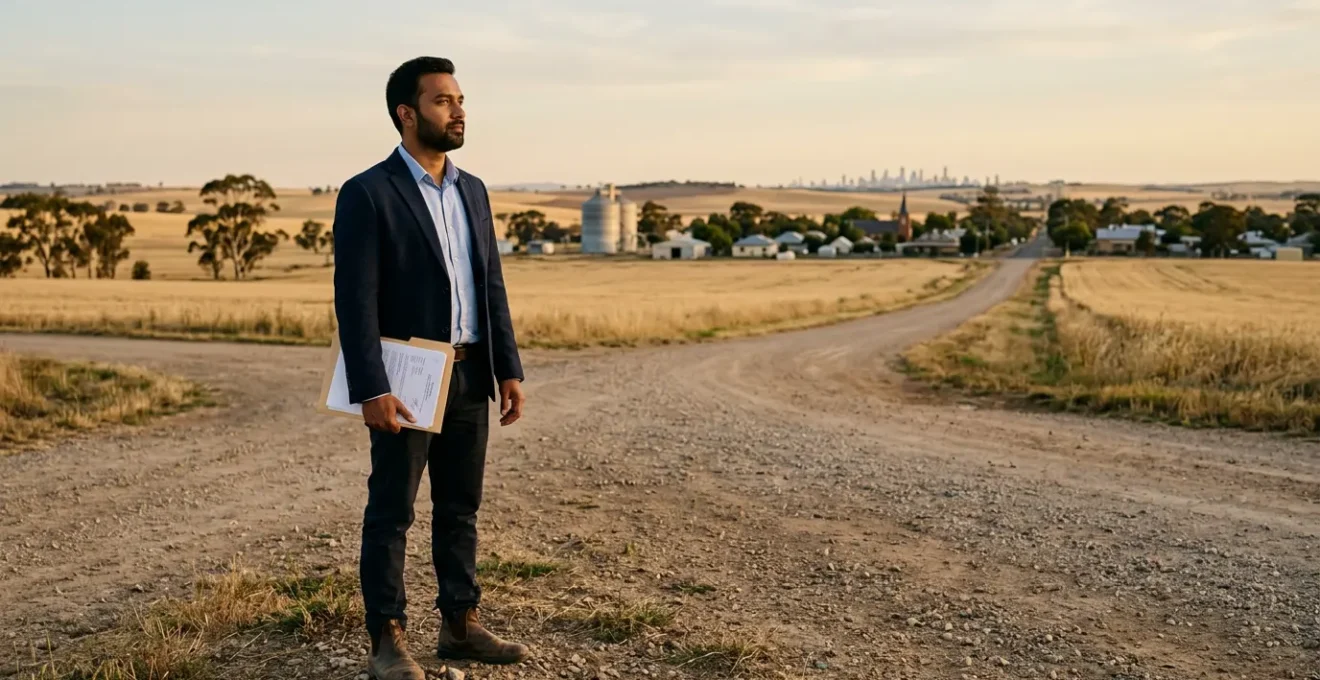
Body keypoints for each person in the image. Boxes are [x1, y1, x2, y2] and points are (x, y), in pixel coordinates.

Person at [332, 56, 528, 679]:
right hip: (408, 377)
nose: (459, 110)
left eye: (461, 99)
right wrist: (372, 387)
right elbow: (355, 300)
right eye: (444, 101)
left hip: (472, 373)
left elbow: (489, 284)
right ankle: (387, 639)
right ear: (407, 113)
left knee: (461, 508)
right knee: (392, 511)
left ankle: (460, 625)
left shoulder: (473, 190)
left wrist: (508, 368)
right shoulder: (367, 193)